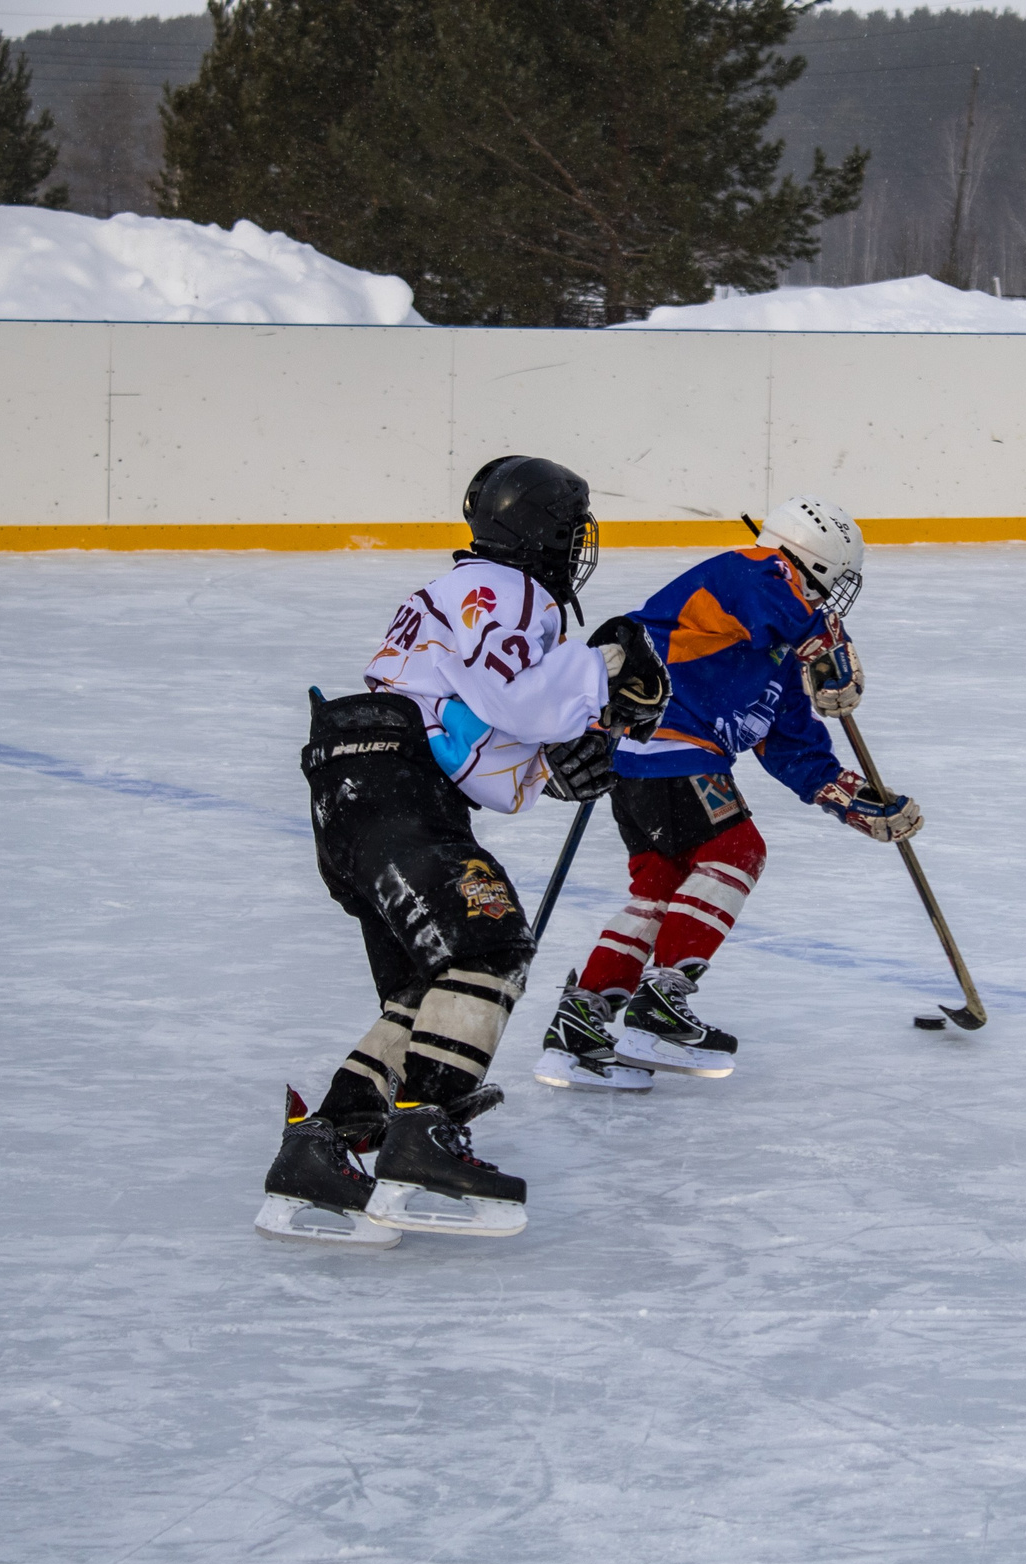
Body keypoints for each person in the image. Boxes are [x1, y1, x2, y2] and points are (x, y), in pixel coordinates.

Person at [256, 454, 670, 1247]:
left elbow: (477, 741)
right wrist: (607, 666)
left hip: (370, 792)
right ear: (545, 533)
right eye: (571, 530)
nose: (578, 546)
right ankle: (426, 1135)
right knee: (491, 940)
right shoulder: (506, 591)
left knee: (430, 985)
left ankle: (327, 1144)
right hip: (390, 785)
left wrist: (554, 768)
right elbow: (522, 694)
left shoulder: (466, 599)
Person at [533, 495, 921, 1092]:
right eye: (831, 581)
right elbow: (771, 596)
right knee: (737, 852)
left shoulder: (779, 651)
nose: (830, 595)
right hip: (665, 746)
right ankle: (662, 1003)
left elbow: (794, 748)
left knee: (659, 891)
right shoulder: (750, 572)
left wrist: (853, 801)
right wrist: (827, 641)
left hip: (646, 772)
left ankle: (580, 1023)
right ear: (812, 562)